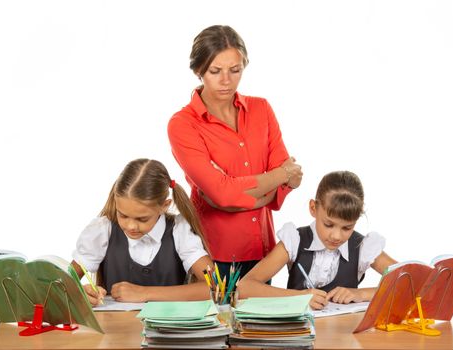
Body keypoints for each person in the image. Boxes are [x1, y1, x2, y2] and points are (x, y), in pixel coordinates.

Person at [167, 25, 303, 280]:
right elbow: (223, 193)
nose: (226, 80)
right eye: (215, 71)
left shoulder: (262, 109)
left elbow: (286, 182)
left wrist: (232, 194)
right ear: (199, 71)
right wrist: (280, 175)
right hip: (212, 254)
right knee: (216, 318)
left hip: (262, 252)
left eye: (235, 70)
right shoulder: (183, 124)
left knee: (259, 321)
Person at [237, 171, 397, 309]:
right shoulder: (295, 240)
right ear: (313, 208)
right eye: (328, 224)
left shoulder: (363, 247)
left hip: (343, 337)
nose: (336, 236)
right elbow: (245, 287)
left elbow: (412, 285)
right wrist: (298, 297)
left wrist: (361, 293)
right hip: (298, 334)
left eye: (347, 228)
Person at [71, 158, 214, 306]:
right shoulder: (102, 230)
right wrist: (81, 292)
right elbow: (61, 285)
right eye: (123, 215)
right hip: (114, 327)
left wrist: (144, 293)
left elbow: (214, 286)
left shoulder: (179, 231)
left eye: (142, 219)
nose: (131, 226)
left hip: (167, 326)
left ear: (165, 206)